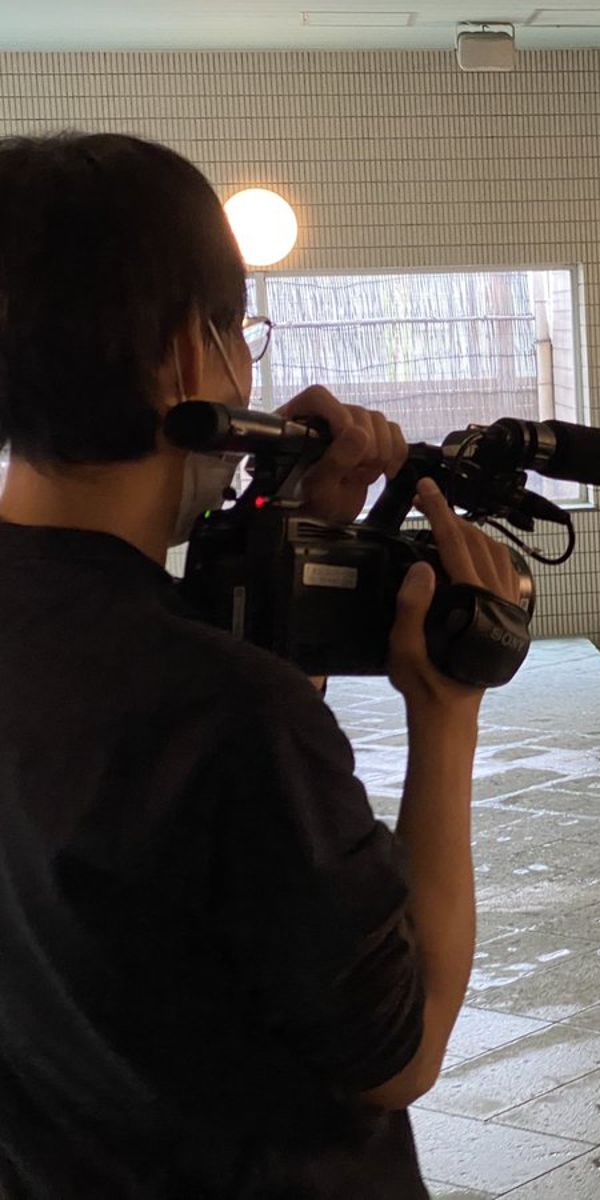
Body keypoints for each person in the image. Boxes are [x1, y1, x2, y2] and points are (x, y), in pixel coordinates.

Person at [0, 132, 520, 1197]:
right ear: (188, 357)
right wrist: (447, 706)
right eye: (239, 332)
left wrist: (284, 527)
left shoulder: (165, 675)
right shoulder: (226, 713)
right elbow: (401, 1052)